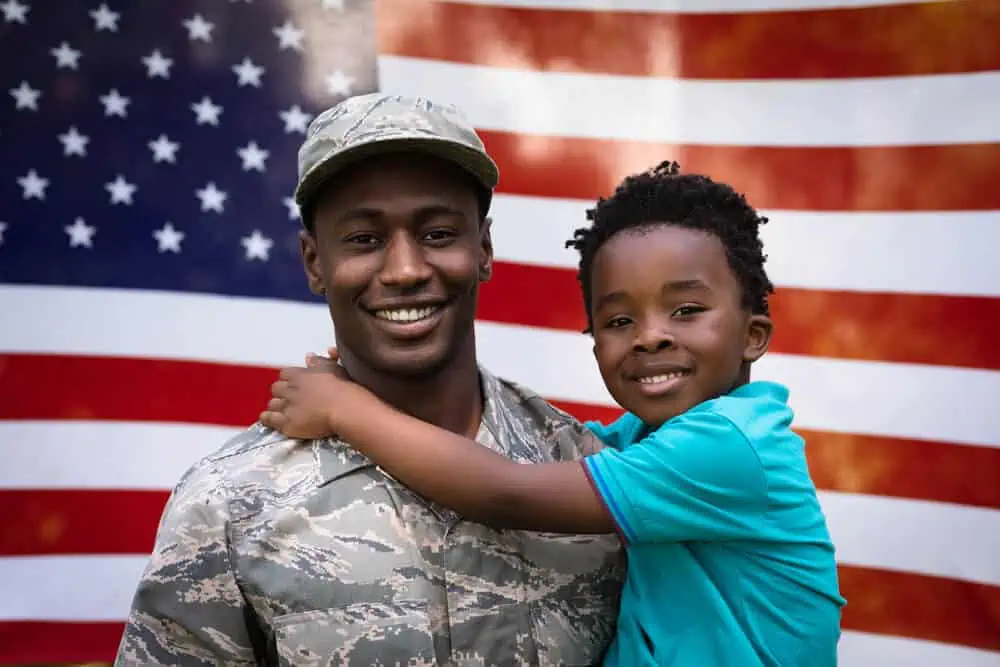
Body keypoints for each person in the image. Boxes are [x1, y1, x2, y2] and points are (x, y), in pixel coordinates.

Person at [261, 161, 847, 666]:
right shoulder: (641, 441)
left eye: (687, 309)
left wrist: (347, 408)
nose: (649, 338)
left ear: (754, 334)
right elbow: (532, 451)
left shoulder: (729, 448)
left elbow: (507, 489)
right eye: (619, 321)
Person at [114, 93, 625, 666]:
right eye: (364, 239)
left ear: (483, 248)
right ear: (314, 262)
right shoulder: (229, 505)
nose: (406, 269)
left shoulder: (588, 477)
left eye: (437, 234)